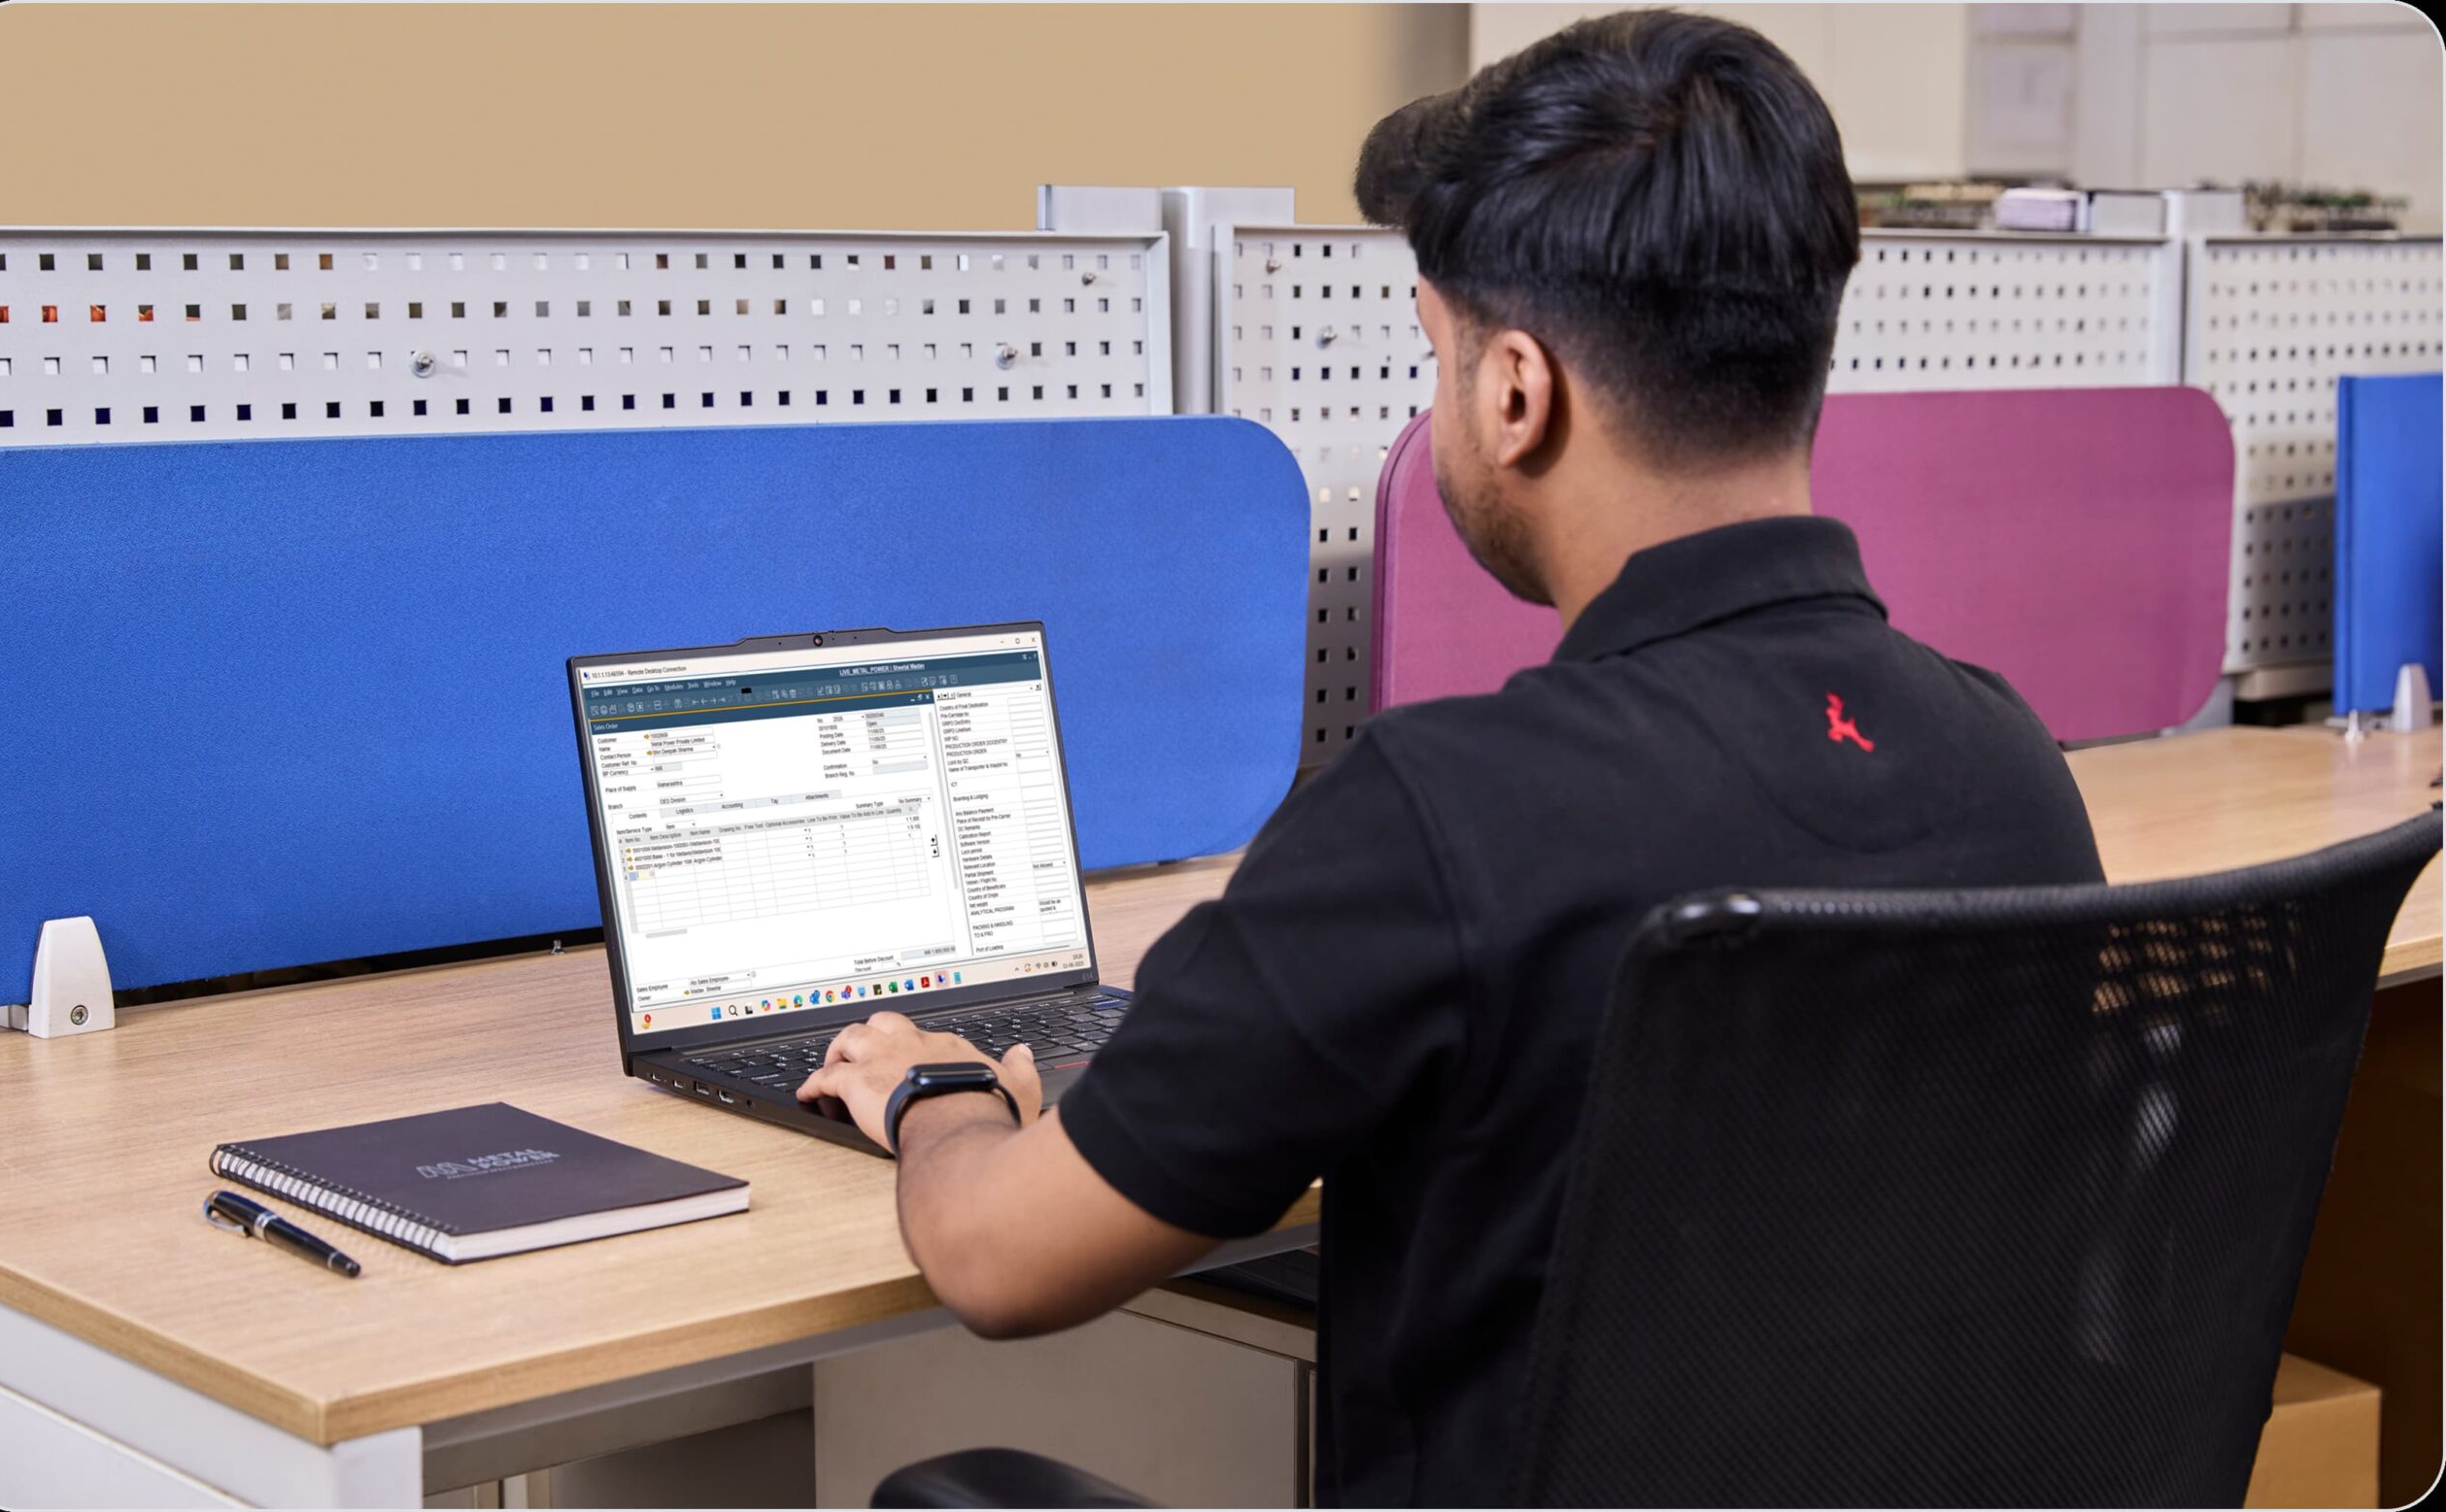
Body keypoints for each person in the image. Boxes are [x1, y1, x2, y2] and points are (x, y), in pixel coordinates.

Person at [798, 9, 2105, 1504]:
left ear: (1517, 392)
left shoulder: (1446, 813)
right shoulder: (2009, 763)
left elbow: (998, 1258)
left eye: (1439, 354)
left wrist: (937, 1092)